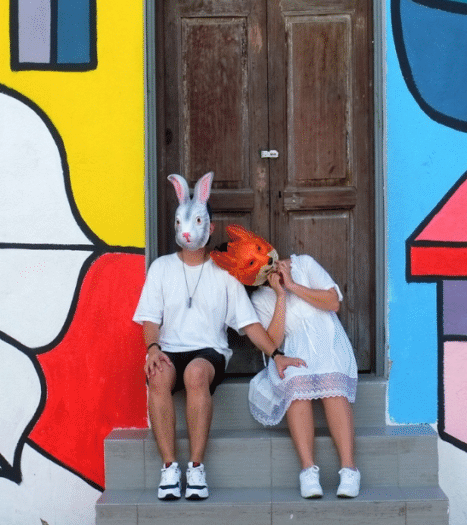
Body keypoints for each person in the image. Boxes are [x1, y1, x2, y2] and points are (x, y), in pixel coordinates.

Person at [133, 173, 304, 501]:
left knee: (196, 374)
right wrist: (152, 349)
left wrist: (277, 353)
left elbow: (248, 322)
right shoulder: (161, 268)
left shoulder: (223, 272)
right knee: (158, 375)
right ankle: (170, 468)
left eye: (197, 221)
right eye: (182, 221)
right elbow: (150, 319)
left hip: (208, 353)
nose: (188, 228)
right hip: (168, 348)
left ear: (209, 228)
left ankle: (195, 468)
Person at [211, 225, 360, 499]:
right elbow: (274, 342)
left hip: (328, 338)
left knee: (333, 385)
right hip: (295, 347)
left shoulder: (304, 264)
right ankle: (308, 470)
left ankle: (349, 469)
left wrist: (292, 285)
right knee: (295, 383)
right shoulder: (260, 299)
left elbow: (332, 302)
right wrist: (280, 295)